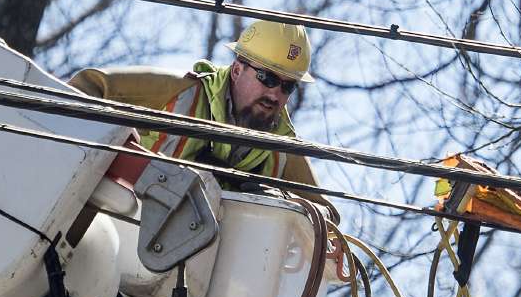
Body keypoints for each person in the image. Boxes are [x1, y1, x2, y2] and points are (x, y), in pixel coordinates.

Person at [70, 21, 337, 219]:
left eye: (288, 87)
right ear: (236, 70)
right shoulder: (178, 93)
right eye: (267, 78)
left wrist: (278, 198)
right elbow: (88, 87)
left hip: (198, 279)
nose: (275, 93)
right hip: (116, 232)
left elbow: (327, 217)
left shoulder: (283, 149)